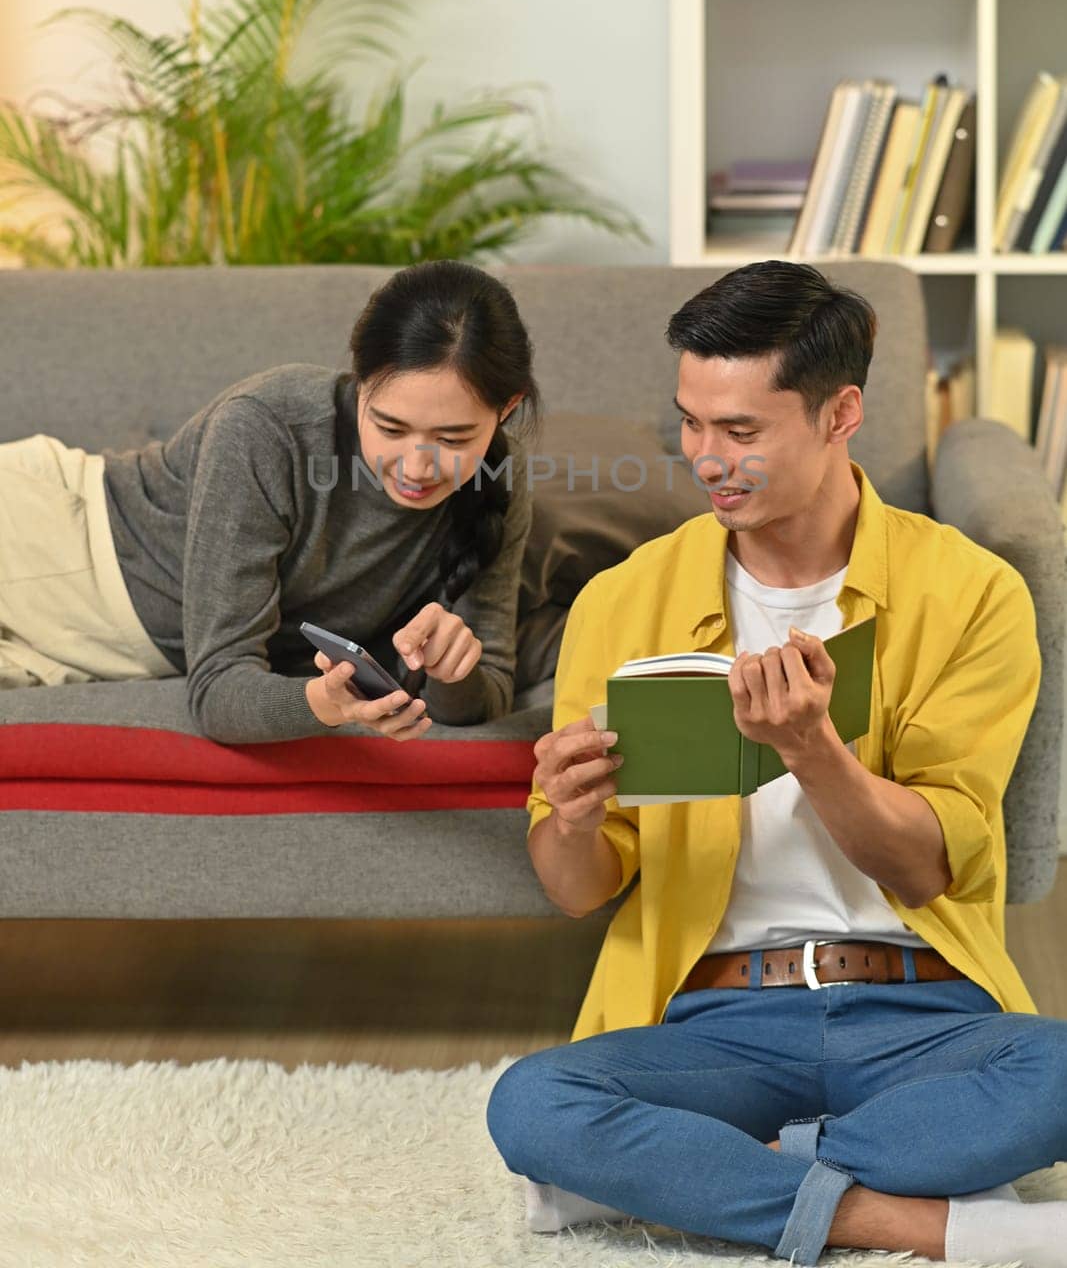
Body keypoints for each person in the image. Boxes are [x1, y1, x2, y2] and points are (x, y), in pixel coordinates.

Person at [487, 259, 1067, 1268]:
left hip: (920, 1008)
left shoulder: (967, 592)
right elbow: (576, 890)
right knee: (532, 1099)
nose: (705, 458)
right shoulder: (624, 601)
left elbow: (929, 865)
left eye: (741, 431)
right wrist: (570, 820)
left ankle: (685, 1181)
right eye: (690, 422)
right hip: (715, 1018)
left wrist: (811, 749)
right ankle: (912, 1220)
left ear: (840, 413)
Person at [0, 260, 539, 742]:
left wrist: (455, 670)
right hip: (51, 547)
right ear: (360, 382)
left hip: (98, 644)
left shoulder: (498, 481)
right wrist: (322, 704)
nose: (417, 467)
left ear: (507, 408)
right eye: (390, 427)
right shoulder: (268, 426)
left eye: (452, 440)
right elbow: (217, 689)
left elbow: (485, 691)